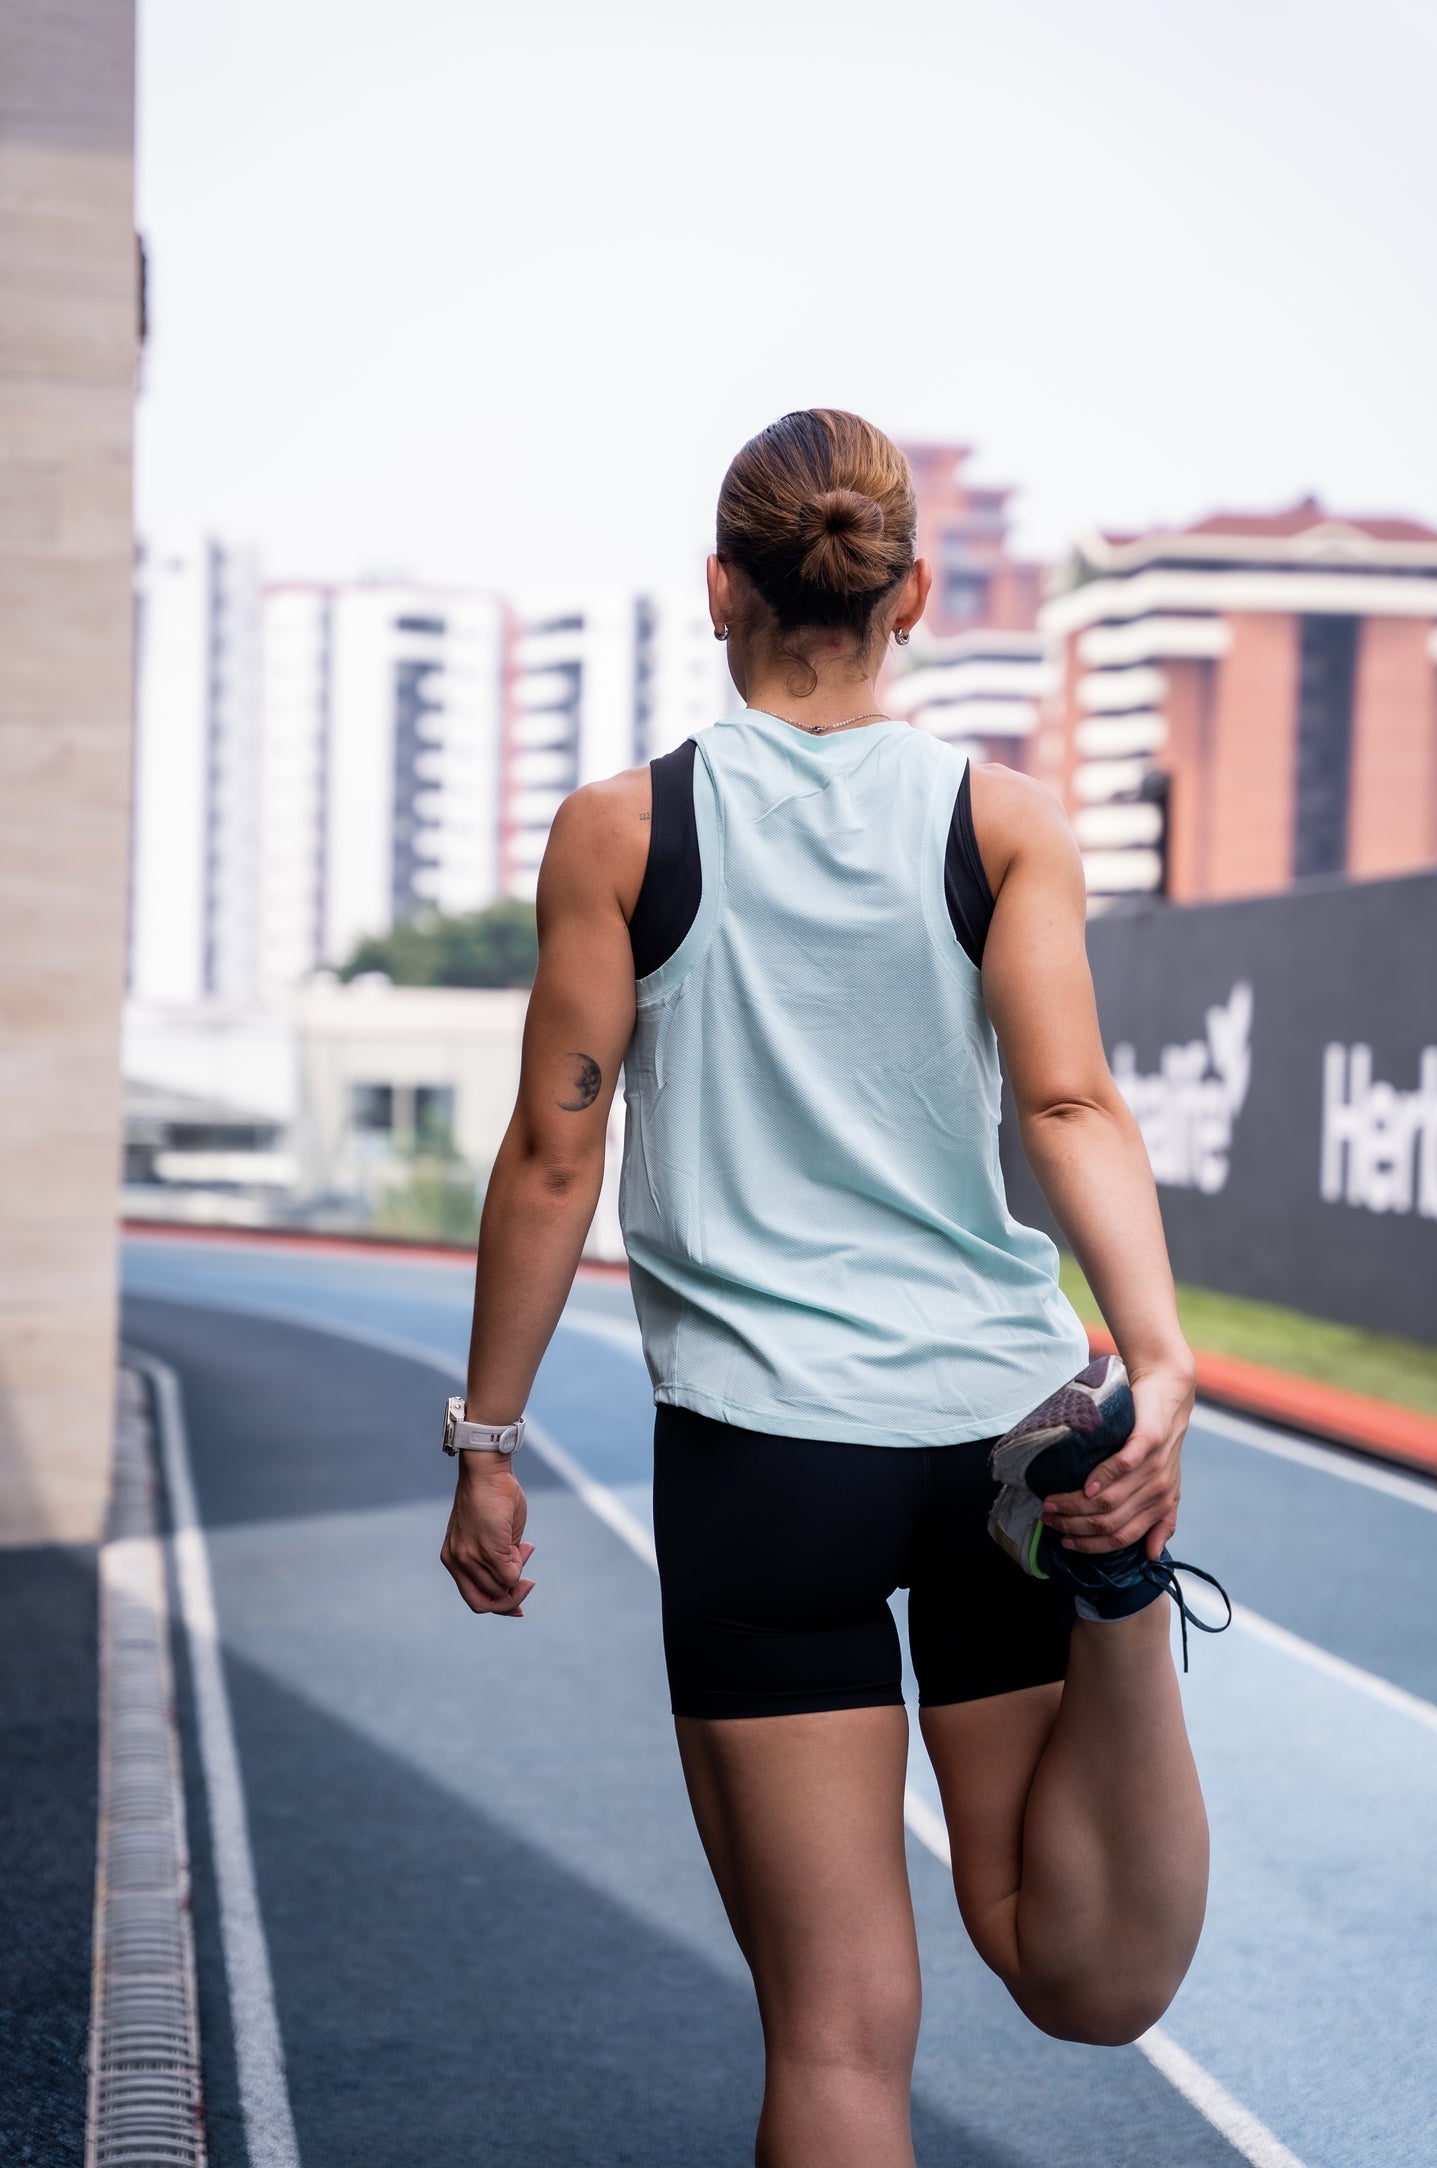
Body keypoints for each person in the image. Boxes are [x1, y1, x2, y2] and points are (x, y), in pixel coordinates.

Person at [441, 409, 1217, 2167]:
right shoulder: (999, 820)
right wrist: (1158, 1363)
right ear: (916, 598)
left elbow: (552, 1156)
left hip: (761, 1463)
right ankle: (1121, 1595)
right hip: (1003, 1435)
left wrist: (486, 1440)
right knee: (1067, 1965)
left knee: (843, 2042)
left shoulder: (620, 832)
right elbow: (1072, 1100)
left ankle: (1114, 1595)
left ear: (716, 588)